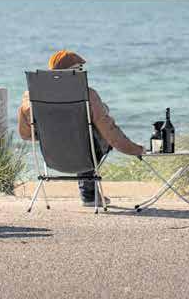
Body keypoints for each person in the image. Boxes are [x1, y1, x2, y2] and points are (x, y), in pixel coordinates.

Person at [18, 50, 145, 206]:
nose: (82, 74)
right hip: (83, 156)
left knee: (79, 131)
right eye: (79, 69)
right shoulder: (88, 94)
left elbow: (26, 134)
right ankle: (89, 194)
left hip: (53, 158)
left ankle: (89, 194)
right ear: (71, 73)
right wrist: (134, 149)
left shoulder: (31, 95)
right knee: (96, 130)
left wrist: (52, 133)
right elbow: (110, 132)